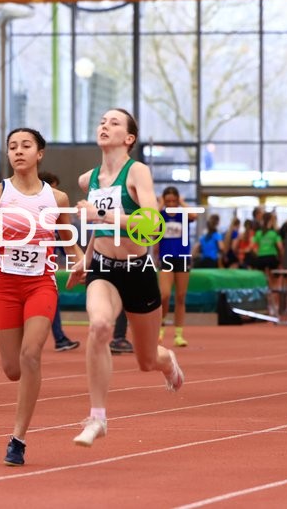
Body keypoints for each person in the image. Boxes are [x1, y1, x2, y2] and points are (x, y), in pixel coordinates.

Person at [0, 128, 83, 466]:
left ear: (40, 154)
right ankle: (25, 389)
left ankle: (18, 438)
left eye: (26, 146)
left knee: (31, 354)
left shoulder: (57, 198)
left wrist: (80, 261)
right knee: (12, 369)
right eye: (12, 147)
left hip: (41, 285)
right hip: (6, 286)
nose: (18, 151)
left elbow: (68, 239)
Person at [67, 108, 184, 448]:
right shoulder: (86, 179)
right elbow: (98, 230)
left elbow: (150, 224)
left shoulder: (138, 173)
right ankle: (97, 417)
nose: (105, 125)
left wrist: (100, 213)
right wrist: (86, 260)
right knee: (100, 326)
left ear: (129, 138)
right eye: (101, 120)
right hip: (104, 269)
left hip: (139, 271)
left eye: (114, 123)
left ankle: (167, 361)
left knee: (147, 360)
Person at [38, 170, 80, 352]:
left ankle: (60, 338)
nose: (56, 193)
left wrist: (77, 262)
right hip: (26, 268)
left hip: (46, 268)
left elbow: (66, 242)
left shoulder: (55, 215)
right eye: (53, 188)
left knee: (52, 300)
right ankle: (58, 338)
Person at [157, 186, 198, 348]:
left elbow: (194, 215)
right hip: (166, 258)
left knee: (181, 296)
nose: (171, 204)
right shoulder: (160, 215)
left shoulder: (183, 214)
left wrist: (182, 203)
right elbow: (150, 222)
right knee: (165, 295)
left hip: (182, 257)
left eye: (174, 200)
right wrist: (160, 204)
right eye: (168, 201)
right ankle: (160, 329)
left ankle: (178, 335)